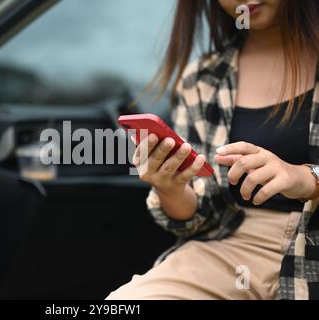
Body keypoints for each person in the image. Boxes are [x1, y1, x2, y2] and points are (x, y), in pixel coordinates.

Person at [107, 0, 319, 300]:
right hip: (239, 245)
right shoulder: (203, 80)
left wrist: (307, 178)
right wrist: (170, 189)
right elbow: (205, 214)